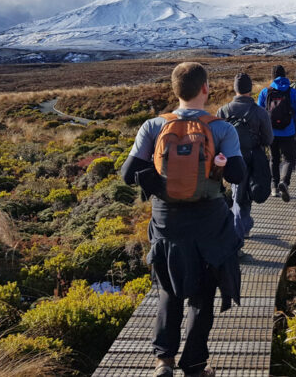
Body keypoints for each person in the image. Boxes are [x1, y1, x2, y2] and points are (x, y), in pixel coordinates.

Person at [120, 62, 245, 377]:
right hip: (209, 221)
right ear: (206, 88)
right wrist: (218, 164)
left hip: (167, 221)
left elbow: (127, 174)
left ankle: (163, 361)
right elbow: (239, 174)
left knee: (168, 289)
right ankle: (194, 366)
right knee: (203, 296)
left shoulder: (153, 126)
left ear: (175, 91)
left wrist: (157, 179)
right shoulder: (222, 128)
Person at [216, 72, 273, 243]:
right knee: (244, 195)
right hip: (253, 156)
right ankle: (241, 229)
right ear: (250, 88)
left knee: (237, 192)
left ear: (235, 89)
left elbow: (217, 139)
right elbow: (269, 139)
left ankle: (242, 225)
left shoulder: (222, 111)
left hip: (230, 159)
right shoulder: (260, 112)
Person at [257, 65, 296, 202]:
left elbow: (259, 113)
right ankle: (284, 182)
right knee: (289, 159)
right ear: (284, 75)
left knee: (274, 159)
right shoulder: (292, 92)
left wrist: (261, 132)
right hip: (288, 132)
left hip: (271, 132)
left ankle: (273, 187)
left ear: (272, 76)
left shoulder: (265, 92)